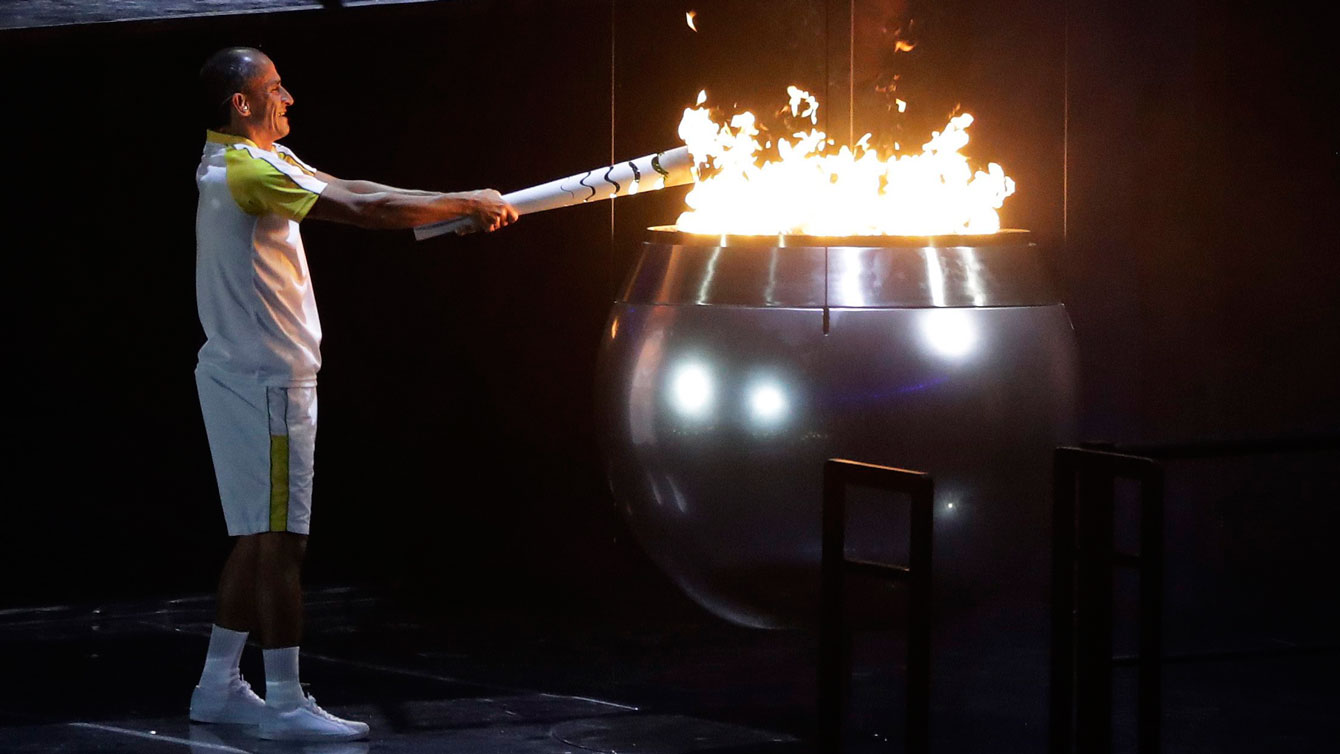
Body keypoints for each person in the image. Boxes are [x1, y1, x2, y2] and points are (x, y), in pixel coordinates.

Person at [187, 46, 517, 742]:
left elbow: (358, 185)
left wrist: (451, 208)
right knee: (281, 541)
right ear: (241, 104)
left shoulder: (258, 159)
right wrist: (466, 201)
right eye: (274, 89)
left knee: (258, 534)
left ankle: (216, 688)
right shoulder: (245, 170)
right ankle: (283, 703)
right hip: (265, 381)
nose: (290, 98)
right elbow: (361, 209)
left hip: (252, 375)